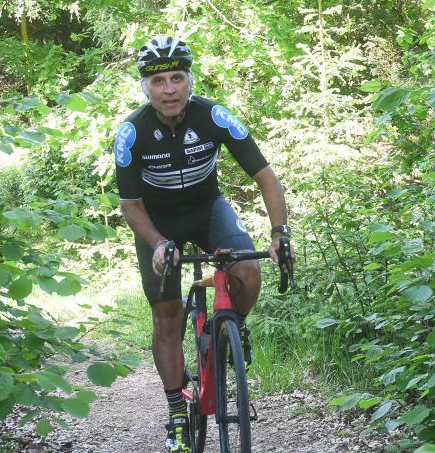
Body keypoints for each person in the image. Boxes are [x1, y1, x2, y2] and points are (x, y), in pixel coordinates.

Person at [113, 35, 292, 453]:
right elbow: (130, 204)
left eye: (177, 78)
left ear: (189, 82)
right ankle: (177, 411)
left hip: (206, 207)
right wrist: (158, 243)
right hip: (156, 223)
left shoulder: (215, 115)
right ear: (146, 88)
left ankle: (227, 330)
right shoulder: (130, 132)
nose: (169, 89)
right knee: (168, 316)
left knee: (248, 270)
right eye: (159, 81)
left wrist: (280, 232)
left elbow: (265, 175)